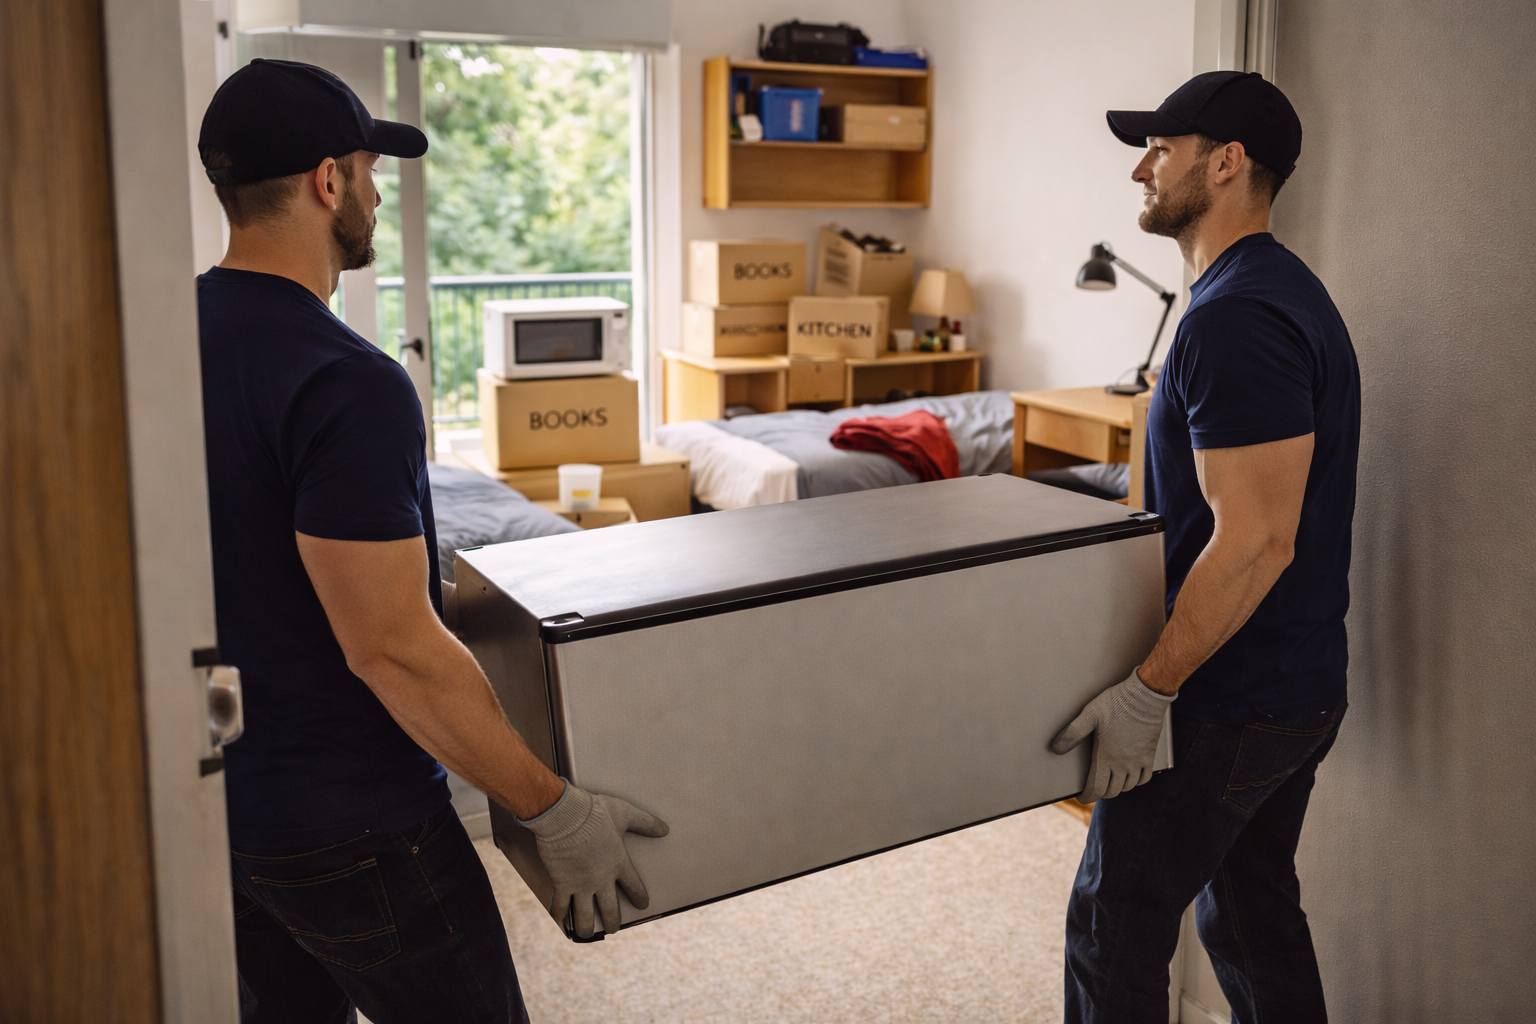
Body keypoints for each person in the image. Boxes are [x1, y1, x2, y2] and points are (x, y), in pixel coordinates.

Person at [196, 59, 667, 1023]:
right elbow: (392, 648)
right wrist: (551, 807)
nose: (373, 192)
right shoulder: (348, 381)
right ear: (329, 181)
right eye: (369, 170)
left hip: (219, 811)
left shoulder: (162, 338)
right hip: (355, 824)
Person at [1049, 71, 1360, 1023]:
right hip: (1288, 685)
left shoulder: (1236, 317)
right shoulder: (1269, 294)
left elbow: (1258, 541)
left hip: (1231, 699)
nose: (1142, 168)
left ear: (1225, 163)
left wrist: (1151, 691)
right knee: (1251, 913)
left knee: (1114, 929)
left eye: (1162, 147)